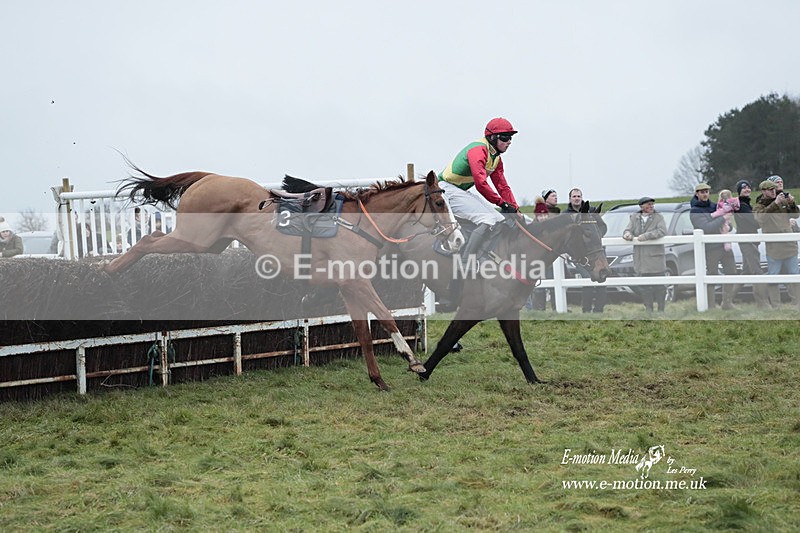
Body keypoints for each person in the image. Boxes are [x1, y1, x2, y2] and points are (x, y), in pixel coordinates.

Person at [439, 117, 521, 263]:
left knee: (499, 219)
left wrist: (515, 208)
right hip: (446, 189)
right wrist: (502, 204)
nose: (509, 142)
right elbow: (481, 184)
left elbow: (502, 186)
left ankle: (482, 254)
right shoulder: (478, 150)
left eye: (510, 138)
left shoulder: (496, 158)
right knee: (487, 219)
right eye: (505, 137)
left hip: (459, 191)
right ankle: (466, 261)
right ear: (493, 137)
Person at [690, 182, 738, 309]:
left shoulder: (715, 206)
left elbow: (728, 223)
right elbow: (706, 227)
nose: (705, 194)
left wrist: (728, 225)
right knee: (711, 274)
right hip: (711, 247)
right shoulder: (695, 211)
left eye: (706, 192)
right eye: (702, 192)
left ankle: (727, 303)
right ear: (697, 194)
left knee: (732, 272)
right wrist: (723, 218)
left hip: (725, 244)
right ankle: (710, 305)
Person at [754, 179, 800, 309]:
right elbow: (760, 218)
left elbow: (796, 215)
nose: (773, 191)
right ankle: (776, 305)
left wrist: (791, 203)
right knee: (773, 276)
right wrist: (775, 204)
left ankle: (797, 303)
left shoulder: (783, 202)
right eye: (770, 190)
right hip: (774, 248)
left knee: (794, 275)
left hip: (789, 245)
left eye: (774, 189)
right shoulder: (759, 206)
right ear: (763, 191)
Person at [566, 188, 608, 313]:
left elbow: (602, 227)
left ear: (582, 197)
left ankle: (599, 309)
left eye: (578, 196)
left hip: (595, 253)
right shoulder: (566, 214)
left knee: (601, 277)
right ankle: (586, 309)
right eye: (574, 196)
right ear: (570, 198)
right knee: (587, 279)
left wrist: (594, 238)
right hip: (580, 256)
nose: (576, 198)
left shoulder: (591, 211)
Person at [623, 197, 667, 312]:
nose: (651, 206)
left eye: (652, 204)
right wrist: (627, 234)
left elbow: (662, 231)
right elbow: (628, 229)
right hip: (640, 259)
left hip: (655, 258)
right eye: (648, 204)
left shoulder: (658, 217)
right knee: (644, 286)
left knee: (660, 286)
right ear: (641, 206)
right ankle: (648, 309)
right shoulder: (634, 217)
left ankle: (661, 309)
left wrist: (646, 236)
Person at [734, 179, 771, 308]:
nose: (747, 189)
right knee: (757, 271)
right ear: (739, 191)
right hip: (747, 241)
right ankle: (763, 303)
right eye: (743, 187)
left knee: (746, 272)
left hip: (750, 241)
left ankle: (727, 300)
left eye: (748, 187)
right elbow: (755, 222)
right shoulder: (741, 205)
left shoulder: (746, 204)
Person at [529, 196, 555, 310]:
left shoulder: (552, 228)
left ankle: (556, 307)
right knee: (539, 288)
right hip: (537, 262)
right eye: (540, 215)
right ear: (536, 215)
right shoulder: (532, 228)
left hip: (550, 262)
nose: (543, 217)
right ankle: (539, 309)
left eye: (545, 215)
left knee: (553, 285)